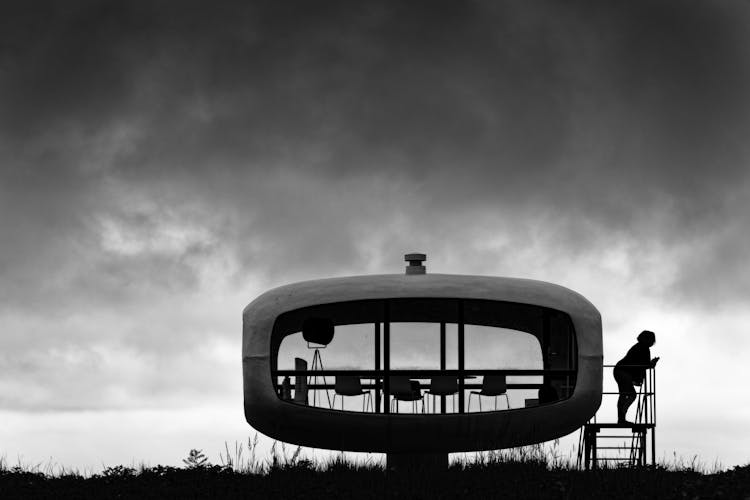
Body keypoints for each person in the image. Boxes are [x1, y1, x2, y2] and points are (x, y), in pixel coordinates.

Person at [613, 330, 659, 424]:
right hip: (622, 371)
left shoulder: (640, 347)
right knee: (627, 394)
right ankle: (621, 418)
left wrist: (649, 364)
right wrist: (651, 364)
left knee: (627, 394)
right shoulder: (641, 348)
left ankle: (621, 418)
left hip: (621, 370)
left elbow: (641, 364)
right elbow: (641, 364)